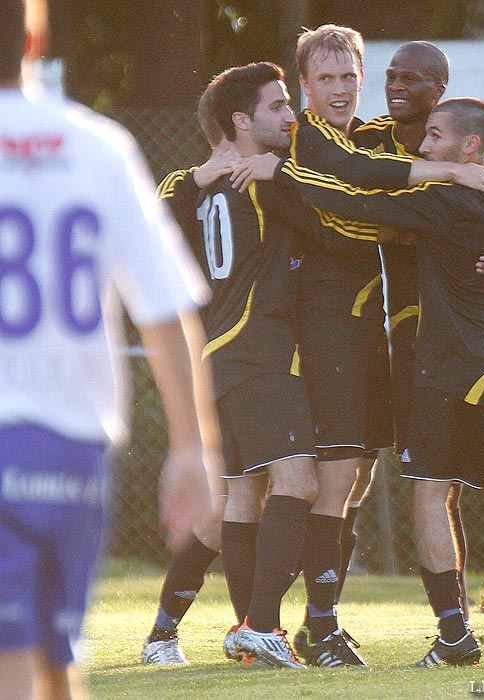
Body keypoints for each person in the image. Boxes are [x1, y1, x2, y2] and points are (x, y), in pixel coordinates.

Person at [274, 97, 484, 668]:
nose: (425, 147)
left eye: (437, 136)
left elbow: (351, 206)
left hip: (453, 373)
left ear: (470, 145)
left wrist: (284, 169)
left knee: (428, 491)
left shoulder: (446, 200)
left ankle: (452, 636)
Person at [230, 24, 484, 668]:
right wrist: (440, 183)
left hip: (363, 331)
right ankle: (297, 626)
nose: (341, 90)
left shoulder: (374, 132)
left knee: (354, 480)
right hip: (325, 329)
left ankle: (308, 624)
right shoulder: (310, 135)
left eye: (350, 76)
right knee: (334, 477)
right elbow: (353, 195)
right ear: (305, 86)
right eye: (325, 79)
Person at [0, 1, 215, 698]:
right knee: (58, 662)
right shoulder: (97, 145)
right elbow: (164, 308)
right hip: (73, 447)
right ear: (36, 36)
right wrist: (192, 447)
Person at [352, 40, 484, 662]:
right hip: (414, 331)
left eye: (411, 79)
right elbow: (350, 179)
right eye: (389, 77)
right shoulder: (370, 139)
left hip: (455, 336)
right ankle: (456, 623)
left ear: (441, 89)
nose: (395, 87)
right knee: (433, 485)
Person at [181, 62, 334, 671]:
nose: (290, 116)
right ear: (242, 123)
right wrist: (289, 174)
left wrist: (192, 176)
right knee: (300, 481)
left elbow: (169, 202)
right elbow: (335, 229)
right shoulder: (261, 182)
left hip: (220, 351)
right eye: (276, 107)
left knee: (243, 495)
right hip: (257, 350)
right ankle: (266, 626)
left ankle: (248, 632)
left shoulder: (207, 187)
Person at [141, 83, 244, 668]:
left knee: (297, 494)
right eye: (275, 106)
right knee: (235, 502)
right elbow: (148, 220)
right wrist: (200, 177)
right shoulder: (193, 186)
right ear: (237, 120)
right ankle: (168, 632)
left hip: (283, 357)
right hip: (222, 365)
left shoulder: (288, 173)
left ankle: (264, 627)